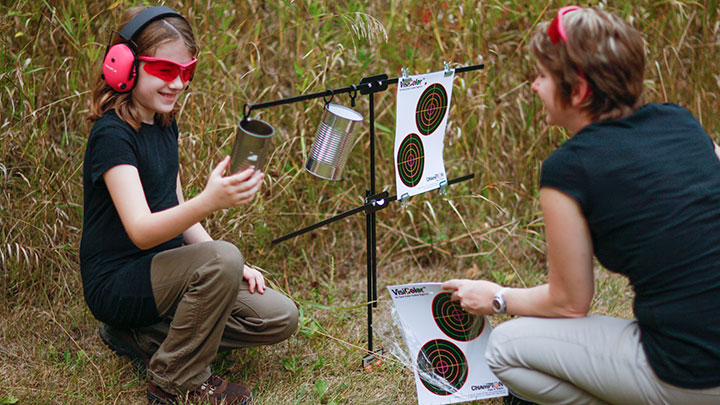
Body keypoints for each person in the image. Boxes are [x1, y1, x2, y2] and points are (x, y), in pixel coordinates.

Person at [442, 6, 720, 405]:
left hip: (691, 373)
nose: (534, 87)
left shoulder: (568, 170)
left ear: (579, 91)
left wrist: (496, 297)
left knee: (504, 348)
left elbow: (569, 303)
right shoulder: (681, 122)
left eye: (541, 76)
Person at [81, 6, 298, 404]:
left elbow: (176, 206)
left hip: (164, 278)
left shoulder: (164, 123)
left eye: (187, 72)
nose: (177, 83)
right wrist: (210, 204)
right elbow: (141, 229)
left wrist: (233, 267)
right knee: (223, 259)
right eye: (165, 71)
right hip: (118, 282)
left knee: (280, 316)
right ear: (125, 65)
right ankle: (175, 378)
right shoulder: (113, 134)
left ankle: (144, 337)